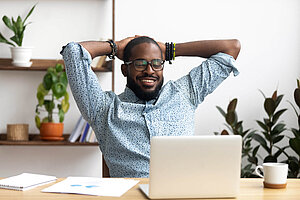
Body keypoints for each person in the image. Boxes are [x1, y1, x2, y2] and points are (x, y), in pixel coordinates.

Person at [60, 36, 241, 178]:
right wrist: (115, 47)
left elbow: (231, 48)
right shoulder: (103, 108)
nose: (149, 70)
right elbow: (73, 52)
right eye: (140, 64)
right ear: (125, 70)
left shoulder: (185, 93)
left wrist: (168, 50)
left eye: (157, 63)